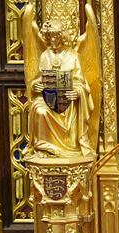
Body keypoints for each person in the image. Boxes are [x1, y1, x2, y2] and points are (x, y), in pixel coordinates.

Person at [27, 20, 95, 158]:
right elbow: (41, 78)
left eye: (55, 36)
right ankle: (44, 147)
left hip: (67, 102)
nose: (52, 39)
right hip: (49, 98)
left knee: (67, 107)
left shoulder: (73, 56)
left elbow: (80, 81)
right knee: (39, 109)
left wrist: (76, 92)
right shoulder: (45, 56)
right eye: (50, 36)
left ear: (62, 37)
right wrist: (35, 85)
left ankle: (70, 145)